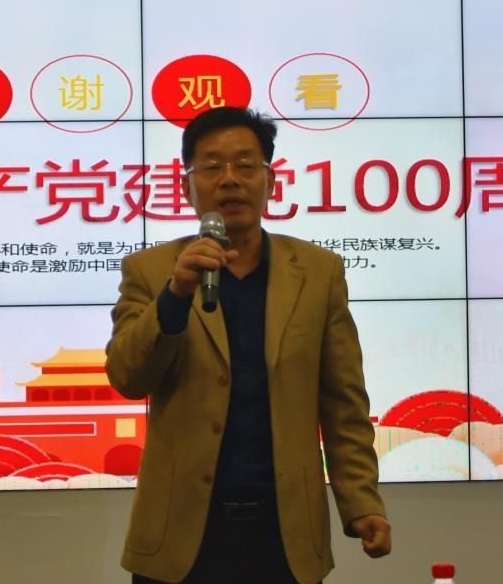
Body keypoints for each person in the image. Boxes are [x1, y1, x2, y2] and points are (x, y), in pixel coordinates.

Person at [106, 106, 391, 584]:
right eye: (211, 167)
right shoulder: (151, 271)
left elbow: (344, 402)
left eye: (244, 165)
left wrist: (361, 502)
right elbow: (128, 377)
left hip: (285, 532)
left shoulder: (318, 273)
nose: (229, 180)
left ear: (270, 181)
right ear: (186, 187)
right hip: (179, 536)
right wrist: (175, 295)